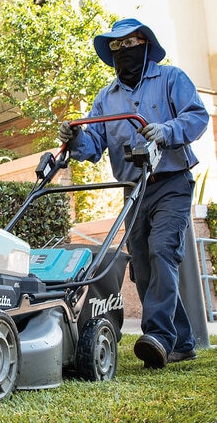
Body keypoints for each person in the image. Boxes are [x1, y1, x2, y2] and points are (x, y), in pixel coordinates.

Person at [59, 18, 209, 369]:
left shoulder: (171, 78)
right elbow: (92, 146)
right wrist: (75, 137)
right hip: (133, 190)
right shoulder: (105, 98)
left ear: (145, 45)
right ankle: (182, 342)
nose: (123, 51)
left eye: (130, 43)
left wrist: (168, 130)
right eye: (116, 46)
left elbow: (198, 117)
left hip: (171, 182)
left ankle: (157, 336)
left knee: (162, 251)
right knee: (142, 265)